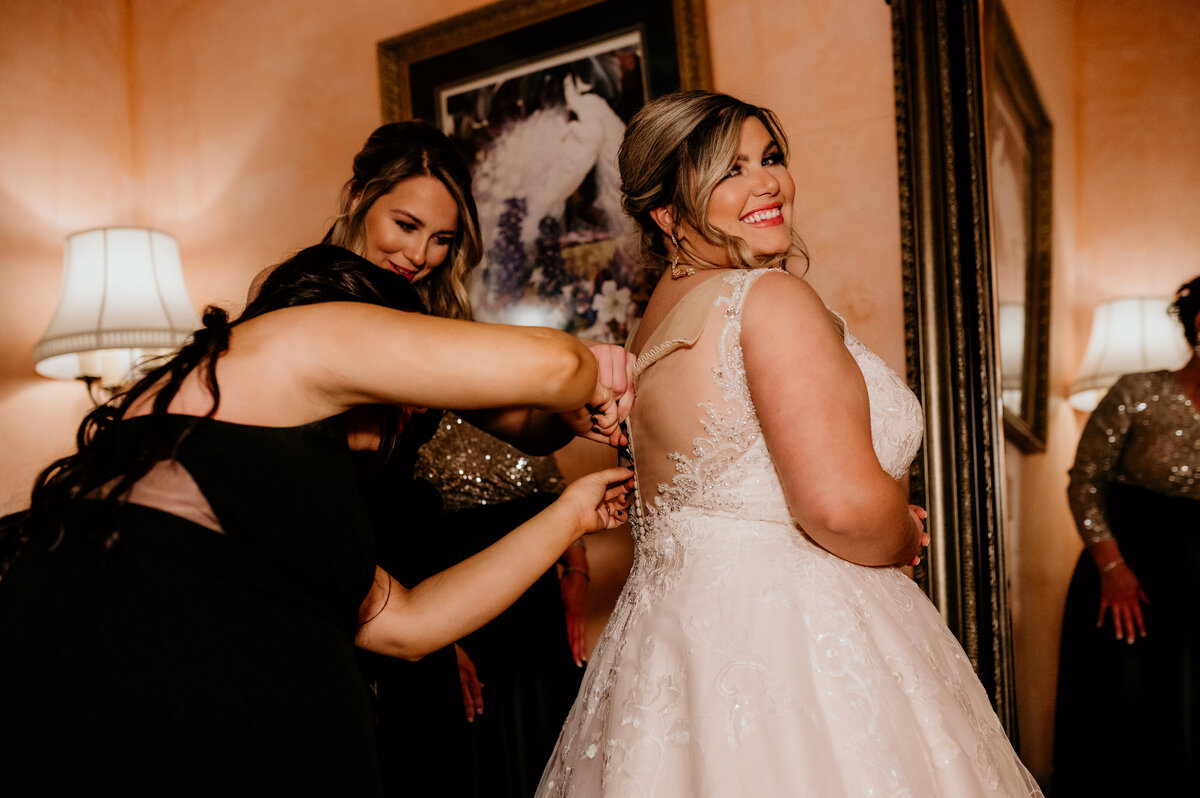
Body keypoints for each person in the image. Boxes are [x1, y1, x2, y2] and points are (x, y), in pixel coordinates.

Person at [536, 91, 1043, 796]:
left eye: (769, 158)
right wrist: (898, 528)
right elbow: (837, 508)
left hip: (677, 651)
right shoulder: (766, 300)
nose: (767, 181)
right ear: (667, 212)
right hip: (799, 650)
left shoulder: (650, 328)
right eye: (731, 170)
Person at [0, 245, 635, 797]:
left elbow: (409, 624)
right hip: (144, 728)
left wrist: (570, 514)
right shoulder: (298, 336)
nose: (414, 409)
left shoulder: (273, 469)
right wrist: (596, 377)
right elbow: (558, 366)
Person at [315, 119, 633, 797]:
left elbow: (519, 420)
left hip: (399, 585)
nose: (420, 254)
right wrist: (415, 627)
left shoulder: (421, 321)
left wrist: (568, 413)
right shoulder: (311, 307)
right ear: (355, 197)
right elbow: (320, 496)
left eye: (442, 240)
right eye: (404, 225)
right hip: (332, 583)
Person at [1052, 277, 1200, 797]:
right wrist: (1112, 569)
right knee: (1127, 705)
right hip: (1129, 567)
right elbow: (1085, 479)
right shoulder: (1138, 392)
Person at [415, 413, 590, 798]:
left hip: (534, 597)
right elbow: (395, 529)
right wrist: (431, 637)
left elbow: (552, 488)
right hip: (457, 596)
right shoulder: (412, 415)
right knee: (479, 742)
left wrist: (576, 573)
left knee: (542, 727)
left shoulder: (510, 401)